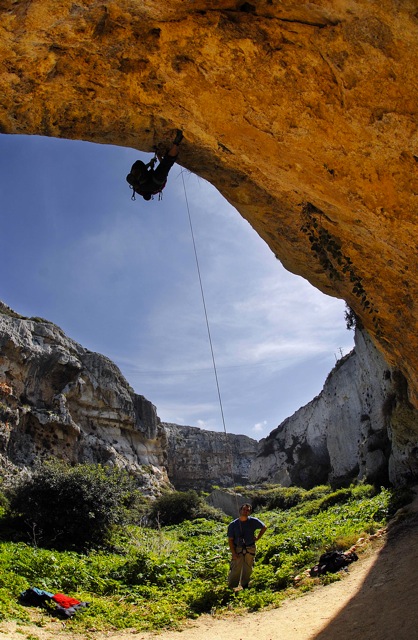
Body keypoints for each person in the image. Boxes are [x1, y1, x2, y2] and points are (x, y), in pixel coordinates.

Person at [126, 129, 183, 201]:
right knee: (138, 164)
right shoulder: (140, 189)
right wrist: (150, 164)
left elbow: (164, 168)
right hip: (143, 183)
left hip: (156, 183)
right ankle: (135, 176)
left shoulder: (155, 190)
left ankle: (177, 142)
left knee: (167, 163)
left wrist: (158, 157)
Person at [227, 503, 267, 589]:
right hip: (238, 548)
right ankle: (232, 587)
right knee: (235, 568)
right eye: (244, 509)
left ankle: (245, 585)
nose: (245, 511)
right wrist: (233, 553)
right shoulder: (233, 525)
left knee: (248, 567)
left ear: (249, 512)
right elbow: (230, 540)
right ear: (240, 510)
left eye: (247, 510)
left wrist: (257, 538)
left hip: (250, 547)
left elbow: (264, 527)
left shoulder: (253, 521)